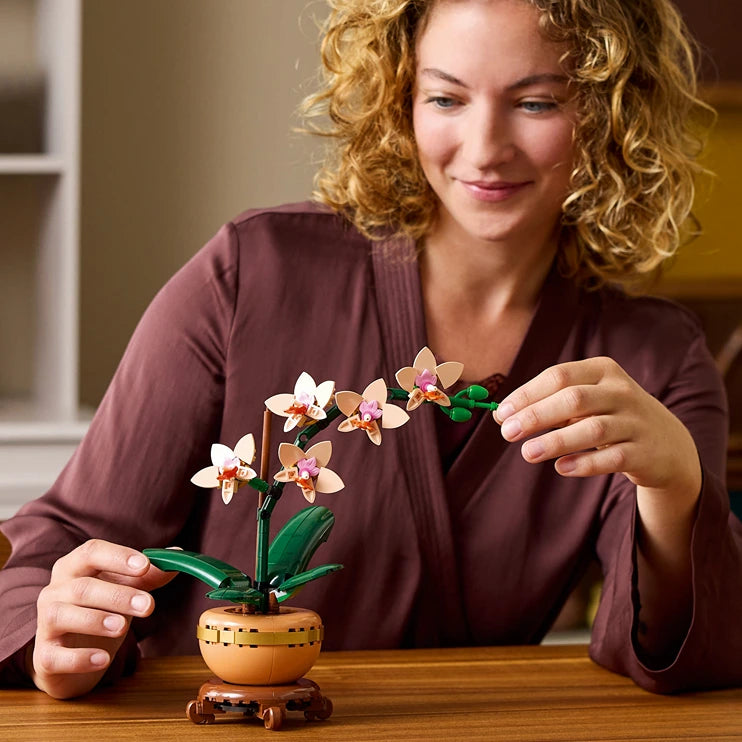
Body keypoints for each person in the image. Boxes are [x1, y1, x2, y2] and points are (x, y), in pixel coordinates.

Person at [1, 0, 740, 700]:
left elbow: (686, 656)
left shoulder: (656, 361)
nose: (484, 149)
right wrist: (53, 635)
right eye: (446, 99)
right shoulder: (251, 275)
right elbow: (58, 538)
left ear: (612, 110)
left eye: (537, 102)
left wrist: (676, 490)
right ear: (399, 99)